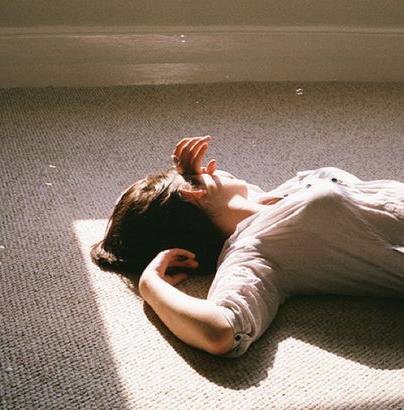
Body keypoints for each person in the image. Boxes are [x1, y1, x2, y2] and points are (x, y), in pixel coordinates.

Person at [91, 136, 404, 357]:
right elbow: (219, 332)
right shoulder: (254, 251)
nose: (208, 167)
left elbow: (240, 199)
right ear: (193, 196)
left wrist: (192, 179)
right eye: (194, 176)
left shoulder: (277, 195)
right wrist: (151, 287)